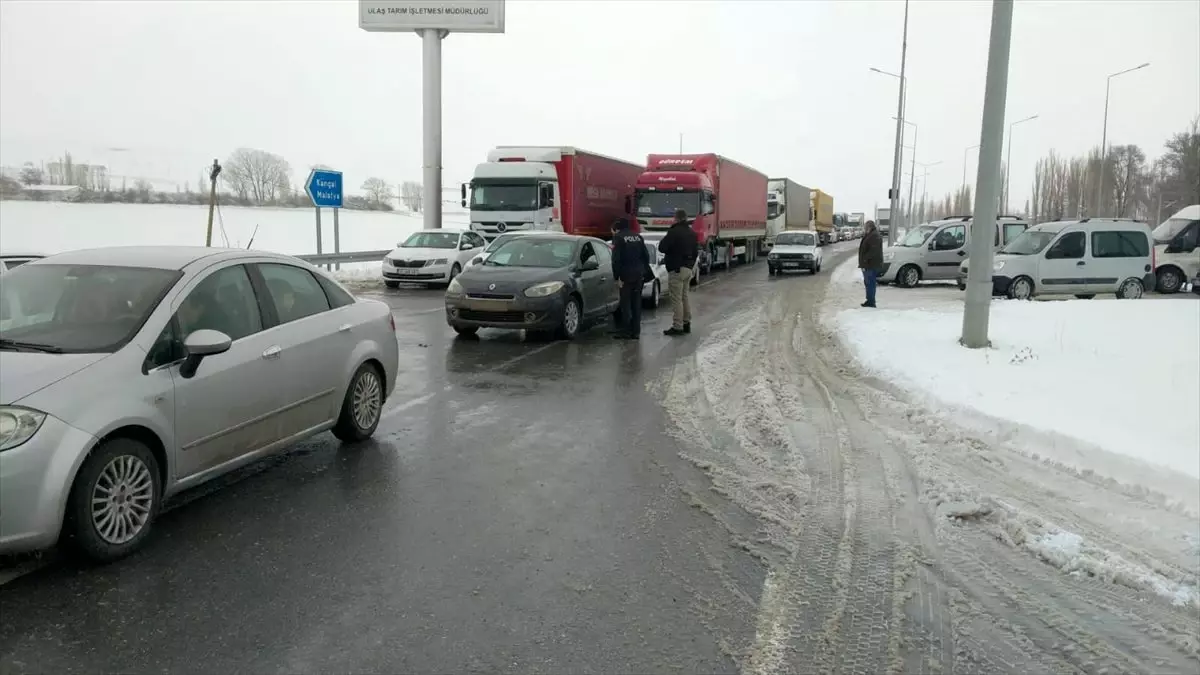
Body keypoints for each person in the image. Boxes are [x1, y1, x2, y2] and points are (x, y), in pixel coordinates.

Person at [609, 217, 654, 339]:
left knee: (625, 304)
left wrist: (617, 276)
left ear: (617, 228)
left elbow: (616, 260)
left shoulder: (618, 238)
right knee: (636, 303)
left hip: (625, 275)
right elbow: (646, 256)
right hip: (638, 275)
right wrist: (643, 271)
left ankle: (626, 330)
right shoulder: (638, 237)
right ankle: (636, 331)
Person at [658, 208, 698, 336]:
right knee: (684, 297)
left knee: (676, 299)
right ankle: (686, 323)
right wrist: (691, 266)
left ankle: (677, 326)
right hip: (688, 269)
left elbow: (662, 247)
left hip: (676, 269)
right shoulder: (692, 233)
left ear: (676, 218)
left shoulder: (674, 232)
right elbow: (696, 252)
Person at [858, 219, 884, 308]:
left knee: (870, 283)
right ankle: (869, 300)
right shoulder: (871, 235)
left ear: (869, 227)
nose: (864, 229)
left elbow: (873, 251)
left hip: (871, 264)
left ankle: (871, 302)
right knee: (868, 283)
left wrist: (865, 259)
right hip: (868, 264)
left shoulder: (874, 236)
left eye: (865, 227)